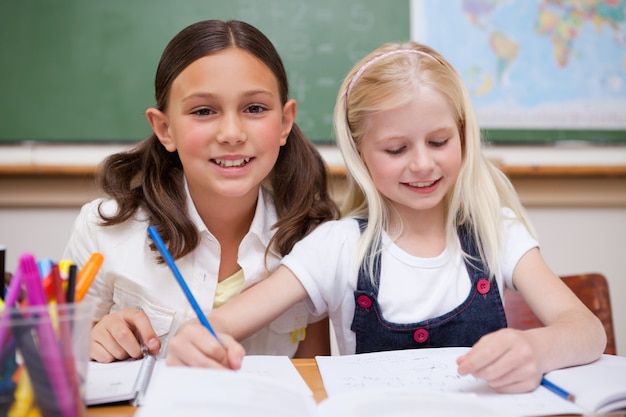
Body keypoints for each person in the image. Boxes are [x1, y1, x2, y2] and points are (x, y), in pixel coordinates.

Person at [167, 41, 606, 392]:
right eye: (396, 149)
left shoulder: (497, 232)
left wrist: (536, 348)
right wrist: (199, 338)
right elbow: (219, 325)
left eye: (438, 142)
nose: (422, 165)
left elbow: (587, 331)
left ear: (463, 136)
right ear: (361, 156)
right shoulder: (337, 246)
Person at [62, 19, 339, 364]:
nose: (231, 133)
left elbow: (311, 381)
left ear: (284, 123)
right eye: (204, 111)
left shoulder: (312, 239)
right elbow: (55, 357)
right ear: (164, 129)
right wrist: (92, 338)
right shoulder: (104, 229)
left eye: (254, 108)